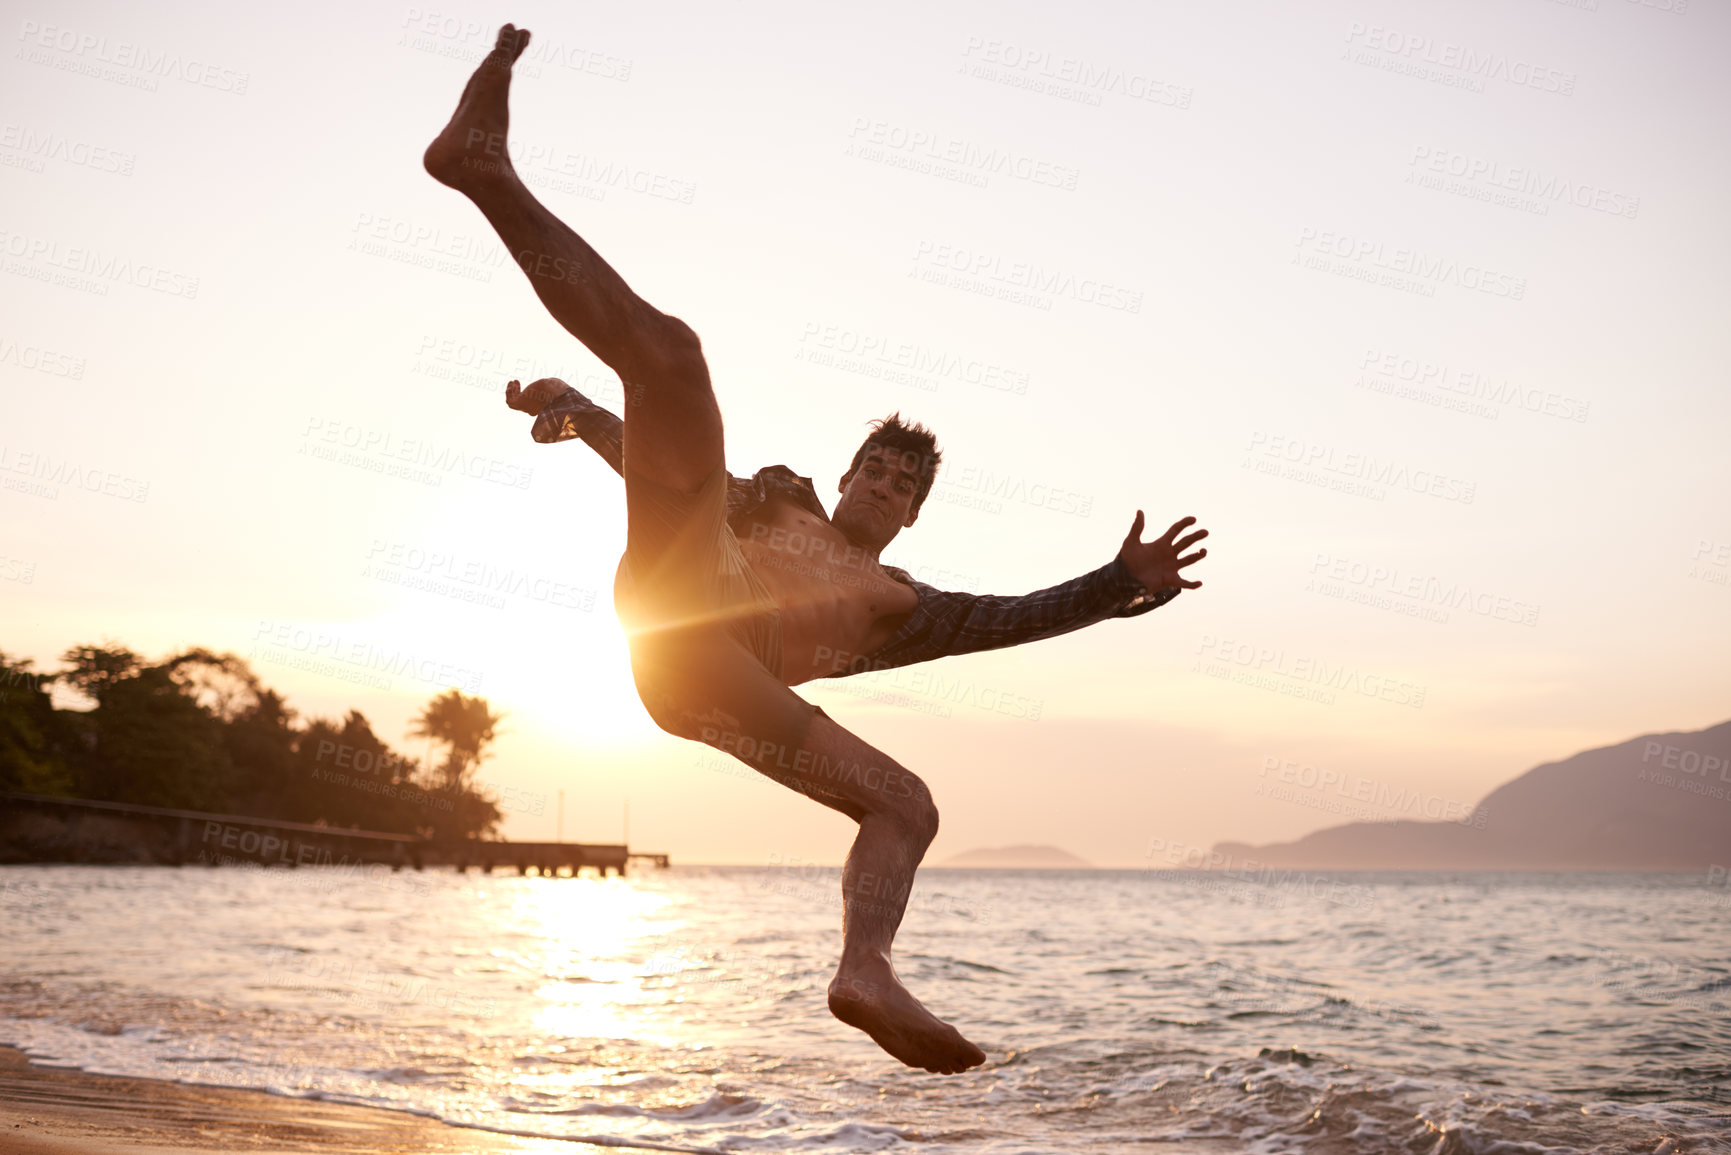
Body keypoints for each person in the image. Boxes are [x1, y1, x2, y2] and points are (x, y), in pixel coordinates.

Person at [425, 24, 1208, 1074]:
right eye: (875, 469)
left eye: (906, 485)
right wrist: (572, 412)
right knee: (670, 362)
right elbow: (661, 469)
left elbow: (1017, 617)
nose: (885, 486)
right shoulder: (778, 503)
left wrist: (1119, 583)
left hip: (721, 684)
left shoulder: (901, 601)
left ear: (914, 516)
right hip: (678, 595)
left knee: (911, 805)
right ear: (845, 479)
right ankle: (482, 175)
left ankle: (865, 970)